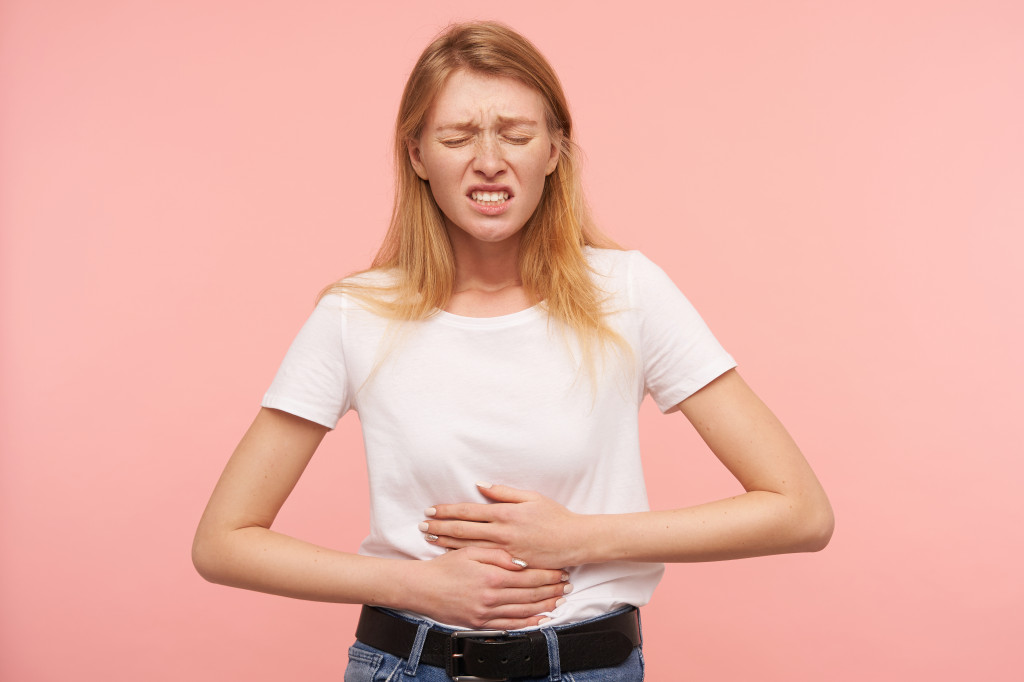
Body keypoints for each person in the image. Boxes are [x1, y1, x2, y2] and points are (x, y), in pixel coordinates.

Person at [192, 20, 834, 682]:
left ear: (554, 149)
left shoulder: (628, 292)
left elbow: (799, 511)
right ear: (416, 155)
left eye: (517, 134)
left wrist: (579, 537)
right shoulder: (356, 313)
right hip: (408, 666)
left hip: (587, 666)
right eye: (457, 136)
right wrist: (419, 586)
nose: (490, 159)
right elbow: (223, 542)